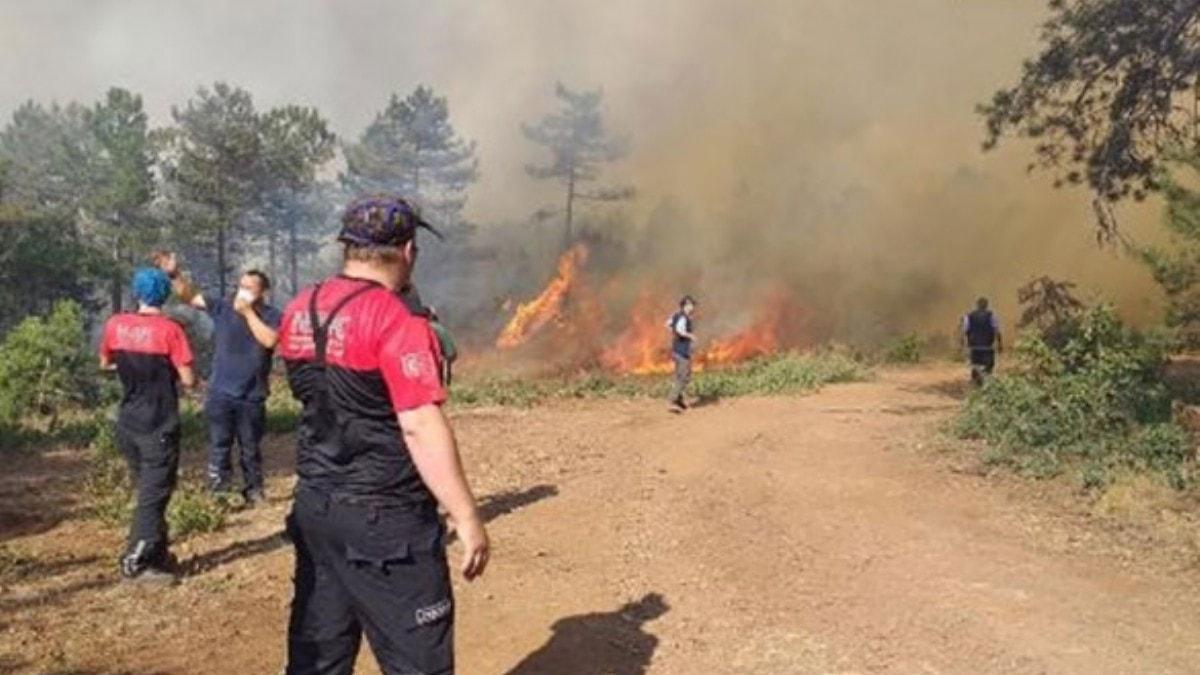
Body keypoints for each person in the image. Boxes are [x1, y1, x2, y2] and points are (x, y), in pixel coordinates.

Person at [278, 194, 489, 674]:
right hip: (387, 522)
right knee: (418, 662)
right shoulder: (396, 319)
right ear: (409, 251)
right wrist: (466, 514)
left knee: (318, 657)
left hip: (317, 507)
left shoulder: (299, 307)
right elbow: (417, 423)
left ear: (347, 248)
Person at [156, 253, 281, 504]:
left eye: (249, 288)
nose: (242, 292)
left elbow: (270, 340)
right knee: (219, 445)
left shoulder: (271, 315)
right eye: (241, 287)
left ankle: (254, 490)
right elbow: (190, 296)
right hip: (220, 392)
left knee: (250, 448)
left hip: (252, 394)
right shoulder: (223, 306)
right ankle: (219, 491)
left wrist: (248, 313)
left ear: (263, 292)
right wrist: (174, 274)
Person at [99, 267, 196, 584]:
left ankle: (157, 554)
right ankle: (135, 562)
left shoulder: (116, 324)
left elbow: (106, 363)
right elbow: (189, 379)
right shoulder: (170, 330)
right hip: (159, 423)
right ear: (164, 295)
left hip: (128, 421)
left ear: (137, 292)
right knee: (154, 494)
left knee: (150, 489)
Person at [961, 296, 1003, 385]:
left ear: (977, 305)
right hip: (987, 347)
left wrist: (963, 345)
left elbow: (965, 331)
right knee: (988, 369)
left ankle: (976, 387)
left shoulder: (969, 316)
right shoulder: (991, 316)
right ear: (987, 305)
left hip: (974, 347)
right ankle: (984, 388)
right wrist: (1000, 344)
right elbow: (997, 331)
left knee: (975, 367)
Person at [667, 296, 697, 412]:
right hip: (682, 352)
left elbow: (668, 324)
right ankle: (673, 399)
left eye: (693, 305)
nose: (692, 307)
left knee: (679, 376)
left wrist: (674, 332)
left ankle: (679, 401)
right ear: (685, 306)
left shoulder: (676, 315)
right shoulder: (683, 318)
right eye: (690, 305)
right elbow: (680, 330)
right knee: (685, 377)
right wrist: (690, 336)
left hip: (676, 350)